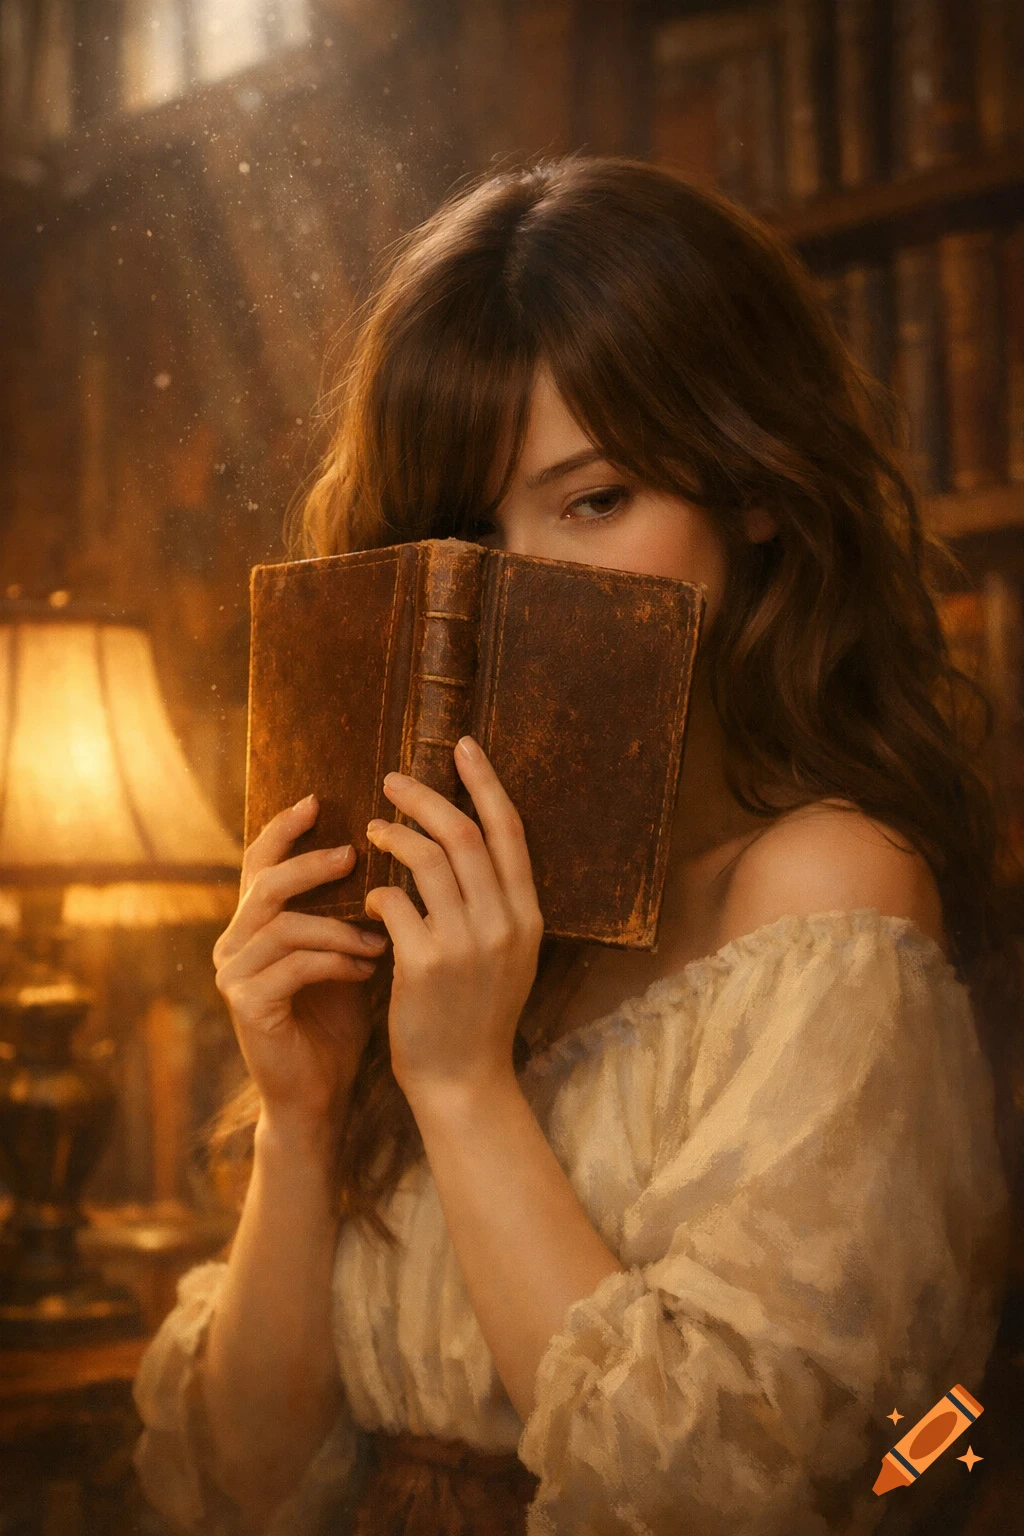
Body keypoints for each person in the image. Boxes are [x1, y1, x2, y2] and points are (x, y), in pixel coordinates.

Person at [132, 156, 1016, 1536]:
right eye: (466, 529)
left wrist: (463, 1084)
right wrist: (302, 1117)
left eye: (594, 501)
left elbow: (721, 1499)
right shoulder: (419, 910)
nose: (522, 585)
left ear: (753, 492)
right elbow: (240, 1489)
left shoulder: (825, 895)